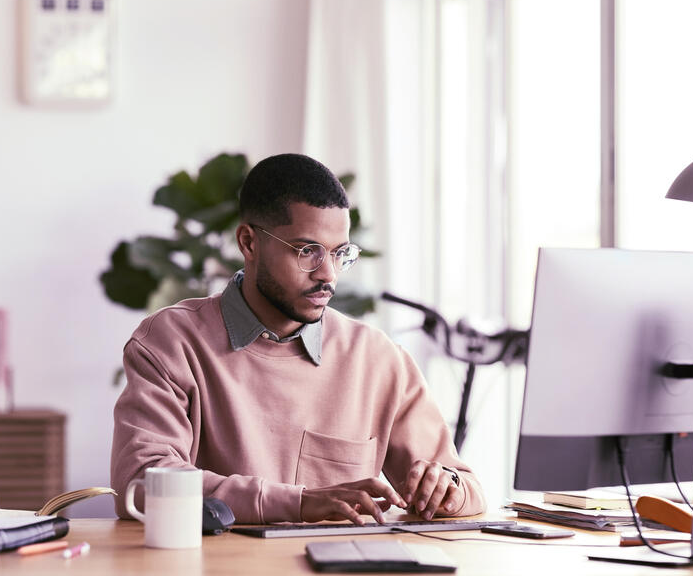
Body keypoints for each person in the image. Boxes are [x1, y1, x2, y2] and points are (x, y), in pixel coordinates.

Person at [111, 153, 486, 525]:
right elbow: (142, 484)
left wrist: (446, 488)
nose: (329, 275)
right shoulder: (171, 343)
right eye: (308, 251)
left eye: (340, 254)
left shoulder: (378, 359)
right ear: (249, 242)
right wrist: (300, 503)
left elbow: (467, 487)